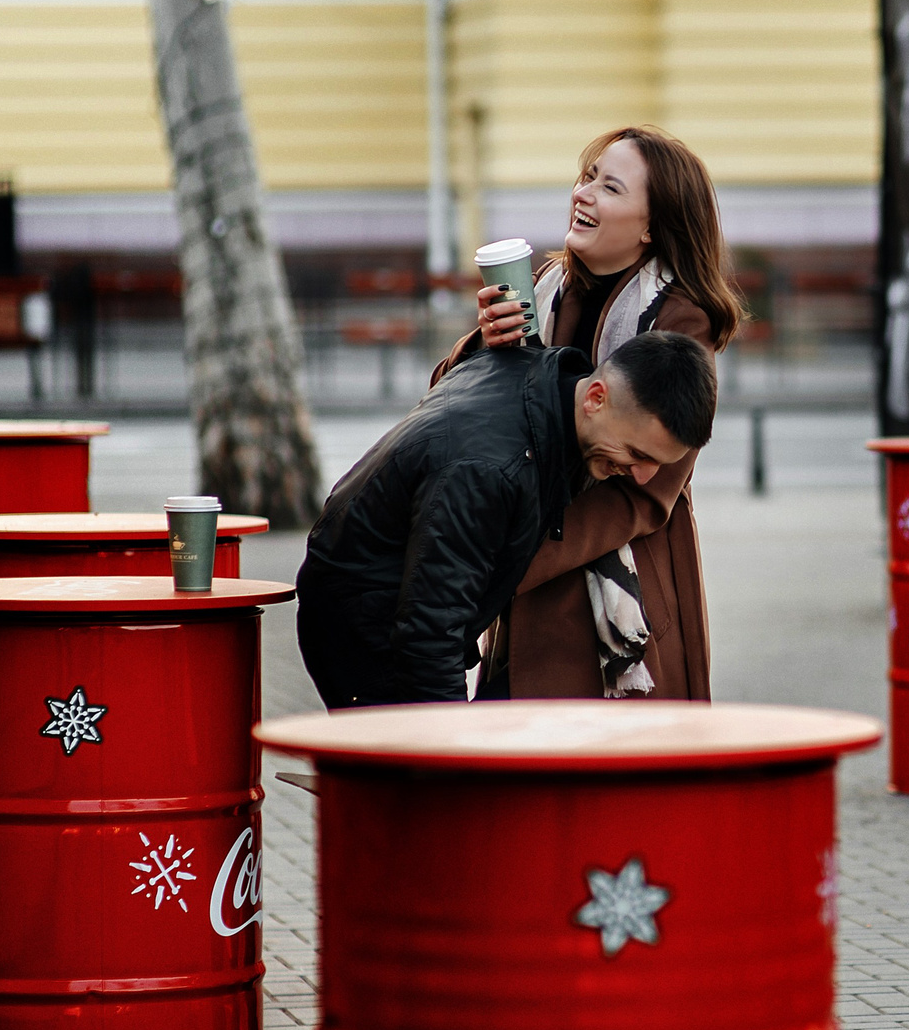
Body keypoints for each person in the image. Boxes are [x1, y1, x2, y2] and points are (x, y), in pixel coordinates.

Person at [433, 123, 745, 700]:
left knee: (608, 749)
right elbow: (448, 409)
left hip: (619, 592)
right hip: (522, 568)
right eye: (587, 177)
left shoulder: (681, 321)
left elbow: (647, 492)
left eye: (610, 187)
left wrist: (508, 565)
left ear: (652, 226)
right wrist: (484, 345)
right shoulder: (544, 288)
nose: (584, 193)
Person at [296, 330, 717, 709]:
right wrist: (452, 750)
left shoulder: (537, 379)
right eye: (637, 454)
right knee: (409, 769)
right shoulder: (490, 471)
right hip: (361, 632)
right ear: (595, 398)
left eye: (658, 464)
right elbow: (431, 631)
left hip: (379, 608)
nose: (643, 477)